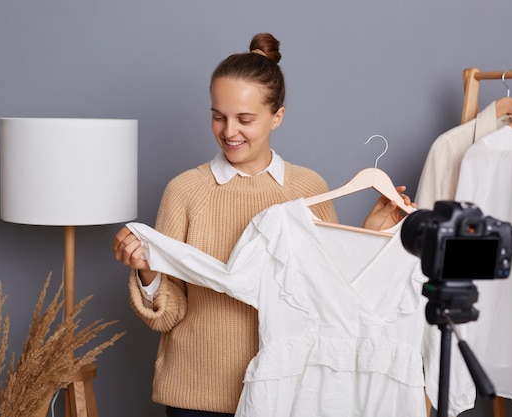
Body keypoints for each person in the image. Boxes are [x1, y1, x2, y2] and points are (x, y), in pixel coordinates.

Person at [113, 32, 414, 417]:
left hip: (290, 395)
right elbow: (168, 316)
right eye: (218, 116)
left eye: (245, 119)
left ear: (277, 116)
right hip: (197, 395)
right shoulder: (184, 191)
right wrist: (148, 272)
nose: (229, 131)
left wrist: (371, 234)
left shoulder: (308, 189)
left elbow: (331, 299)